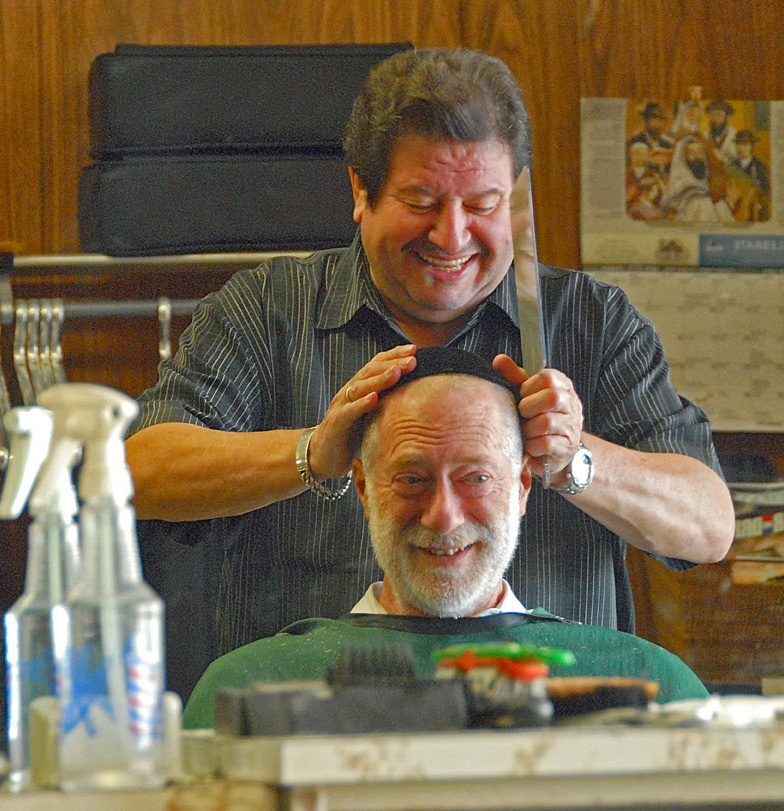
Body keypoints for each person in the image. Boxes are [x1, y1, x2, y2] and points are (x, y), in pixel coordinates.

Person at [126, 48, 734, 664]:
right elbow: (136, 474)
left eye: (482, 205)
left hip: (549, 729)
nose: (452, 236)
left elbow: (708, 528)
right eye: (421, 202)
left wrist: (575, 460)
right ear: (361, 191)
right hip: (313, 728)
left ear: (516, 199)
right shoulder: (266, 310)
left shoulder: (593, 322)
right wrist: (310, 454)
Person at [182, 349, 709, 729]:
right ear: (363, 487)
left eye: (475, 478)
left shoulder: (646, 685)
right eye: (412, 479)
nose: (443, 517)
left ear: (522, 484)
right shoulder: (249, 689)